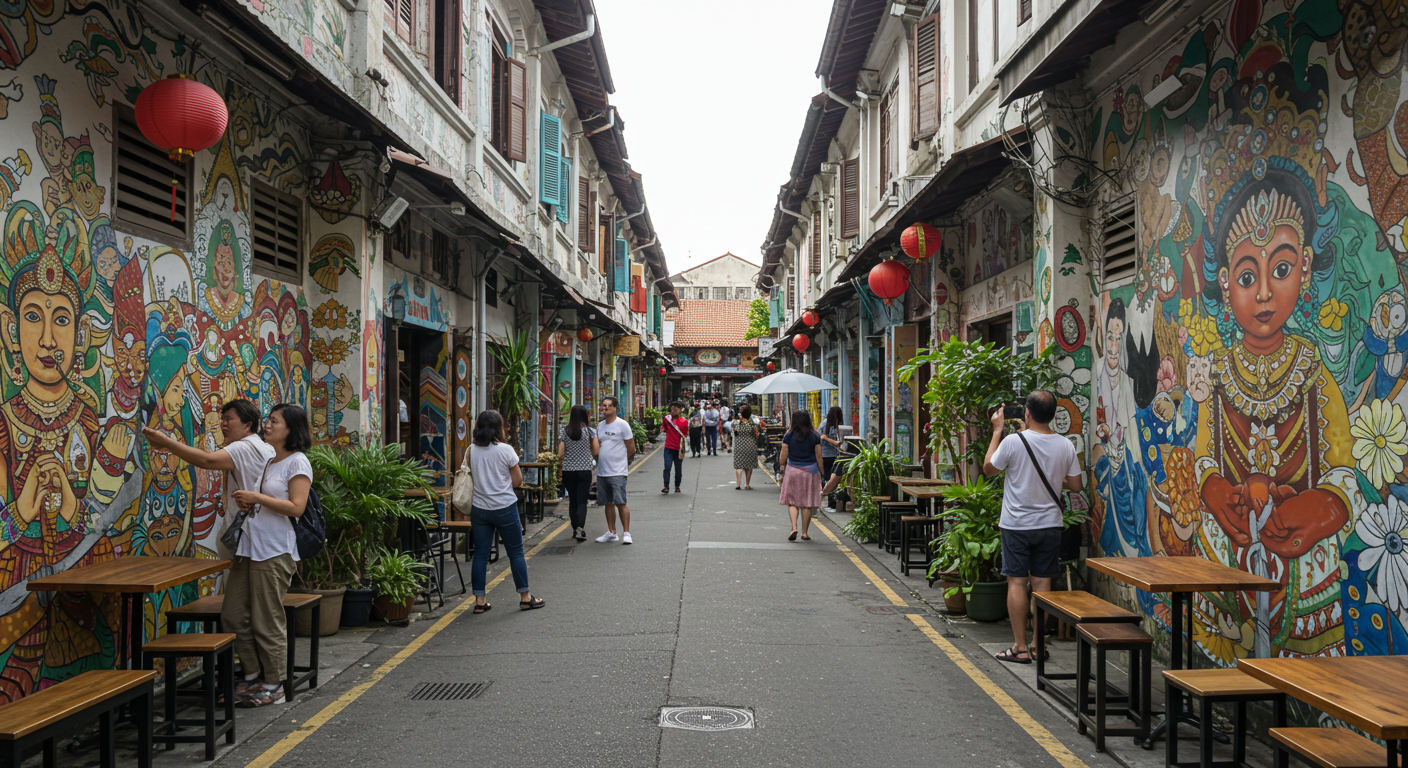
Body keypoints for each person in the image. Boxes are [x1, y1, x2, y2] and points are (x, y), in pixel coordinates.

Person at [142, 399, 275, 703]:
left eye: (229, 419)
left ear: (248, 424)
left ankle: (262, 678)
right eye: (222, 419)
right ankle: (254, 674)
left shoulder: (246, 447)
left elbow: (206, 461)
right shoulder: (261, 448)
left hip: (249, 543)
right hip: (250, 542)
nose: (223, 424)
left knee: (247, 613)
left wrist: (165, 443)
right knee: (242, 612)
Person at [220, 403, 312, 706]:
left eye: (274, 422)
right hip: (248, 546)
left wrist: (257, 496)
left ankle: (274, 684)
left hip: (274, 551)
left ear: (291, 429)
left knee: (266, 620)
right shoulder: (267, 460)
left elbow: (297, 507)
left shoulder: (297, 463)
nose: (267, 426)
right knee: (232, 615)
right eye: (268, 421)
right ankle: (251, 675)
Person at [984, 391, 1082, 664]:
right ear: (1053, 416)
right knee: (1042, 582)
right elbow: (1075, 485)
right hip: (1050, 525)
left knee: (1016, 581)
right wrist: (1053, 481)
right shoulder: (1065, 445)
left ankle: (1020, 648)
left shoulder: (1013, 442)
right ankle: (1038, 646)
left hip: (1016, 525)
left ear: (1027, 413)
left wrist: (997, 431)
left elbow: (988, 469)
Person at [468, 409, 544, 613]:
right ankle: (525, 597)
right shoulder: (505, 450)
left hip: (479, 508)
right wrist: (500, 488)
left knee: (480, 555)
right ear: (498, 427)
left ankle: (480, 602)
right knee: (516, 552)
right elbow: (518, 480)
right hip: (504, 507)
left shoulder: (471, 450)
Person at [778, 409, 824, 541]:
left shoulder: (788, 436)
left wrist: (782, 466)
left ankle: (794, 527)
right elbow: (819, 457)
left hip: (793, 470)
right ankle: (804, 533)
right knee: (807, 503)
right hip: (810, 472)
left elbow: (783, 457)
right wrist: (823, 472)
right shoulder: (815, 436)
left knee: (792, 502)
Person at [595, 397, 636, 544]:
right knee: (608, 503)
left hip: (618, 471)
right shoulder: (600, 426)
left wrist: (624, 465)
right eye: (603, 406)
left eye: (608, 406)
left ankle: (626, 533)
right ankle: (611, 532)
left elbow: (631, 449)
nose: (604, 408)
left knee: (620, 502)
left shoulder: (622, 425)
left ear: (615, 408)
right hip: (602, 471)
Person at [557, 405, 598, 542]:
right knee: (582, 501)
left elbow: (560, 454)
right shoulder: (590, 432)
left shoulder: (565, 431)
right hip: (584, 470)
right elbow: (596, 451)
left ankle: (575, 528)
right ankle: (580, 528)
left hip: (568, 471)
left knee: (573, 501)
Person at [660, 401, 689, 493]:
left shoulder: (684, 422)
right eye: (673, 409)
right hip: (668, 447)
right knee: (667, 467)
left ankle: (677, 486)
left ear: (680, 410)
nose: (674, 411)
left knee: (678, 468)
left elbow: (685, 434)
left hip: (678, 448)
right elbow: (664, 428)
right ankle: (666, 486)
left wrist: (683, 448)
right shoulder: (667, 419)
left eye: (677, 409)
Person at [732, 404, 760, 490]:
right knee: (749, 465)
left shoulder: (735, 423)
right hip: (750, 444)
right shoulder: (752, 424)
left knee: (739, 465)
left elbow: (734, 431)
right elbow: (756, 434)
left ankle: (738, 484)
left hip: (739, 445)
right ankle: (747, 484)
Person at [820, 406, 845, 480]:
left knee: (833, 474)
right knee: (827, 475)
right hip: (825, 454)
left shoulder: (837, 425)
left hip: (834, 453)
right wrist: (835, 442)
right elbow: (822, 437)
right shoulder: (825, 423)